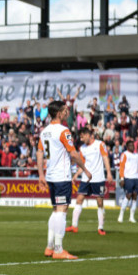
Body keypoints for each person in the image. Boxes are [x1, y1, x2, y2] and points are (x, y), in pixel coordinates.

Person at [37, 101, 91, 260]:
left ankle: (49, 246)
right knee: (62, 210)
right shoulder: (63, 130)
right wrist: (85, 169)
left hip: (51, 176)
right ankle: (59, 249)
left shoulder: (44, 131)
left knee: (55, 210)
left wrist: (41, 174)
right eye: (65, 110)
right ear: (59, 113)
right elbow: (73, 154)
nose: (68, 112)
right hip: (62, 176)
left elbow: (40, 153)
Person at [66, 128, 113, 235]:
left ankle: (100, 227)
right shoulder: (82, 148)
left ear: (88, 134)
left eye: (82, 136)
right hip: (86, 178)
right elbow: (82, 163)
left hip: (98, 178)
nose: (81, 139)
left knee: (99, 202)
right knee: (79, 199)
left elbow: (105, 158)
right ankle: (74, 226)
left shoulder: (100, 144)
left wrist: (109, 173)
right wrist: (76, 175)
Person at [117, 140, 138, 223]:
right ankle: (121, 215)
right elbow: (121, 167)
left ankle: (131, 217)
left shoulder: (137, 155)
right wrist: (121, 178)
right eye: (130, 145)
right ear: (127, 147)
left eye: (133, 145)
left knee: (135, 196)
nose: (132, 147)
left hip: (136, 178)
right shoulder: (124, 154)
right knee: (128, 195)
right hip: (128, 178)